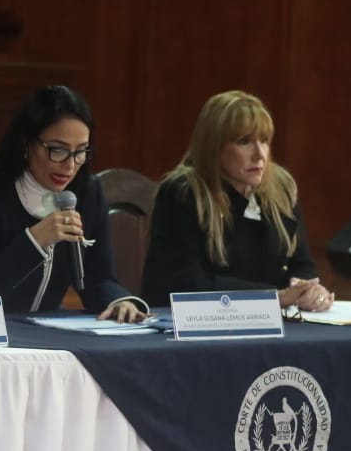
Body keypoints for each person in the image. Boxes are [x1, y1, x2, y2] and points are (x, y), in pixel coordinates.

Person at [0, 85, 147, 321]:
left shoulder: (87, 192)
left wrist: (119, 301)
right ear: (26, 144)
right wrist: (35, 240)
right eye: (58, 150)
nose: (70, 166)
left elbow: (98, 277)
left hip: (48, 332)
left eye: (81, 151)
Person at [141, 90, 332, 311]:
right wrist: (275, 298)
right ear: (214, 146)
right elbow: (188, 282)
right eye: (244, 142)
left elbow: (302, 265)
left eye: (264, 140)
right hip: (188, 327)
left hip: (271, 324)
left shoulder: (281, 191)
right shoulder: (183, 193)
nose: (260, 154)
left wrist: (309, 290)